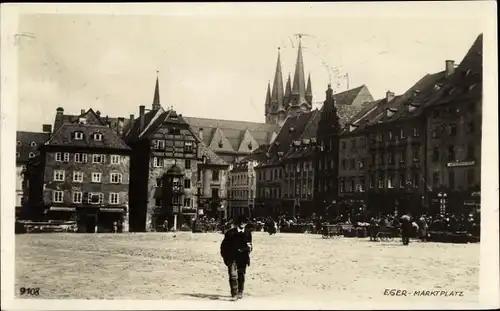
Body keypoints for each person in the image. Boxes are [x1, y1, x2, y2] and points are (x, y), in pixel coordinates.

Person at [220, 215, 253, 300]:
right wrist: (225, 257)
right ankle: (234, 293)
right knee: (233, 275)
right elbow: (223, 246)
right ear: (238, 223)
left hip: (243, 257)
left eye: (244, 222)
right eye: (241, 222)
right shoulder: (230, 233)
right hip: (231, 257)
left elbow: (250, 245)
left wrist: (247, 249)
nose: (242, 224)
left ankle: (240, 291)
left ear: (246, 223)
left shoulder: (248, 233)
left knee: (241, 274)